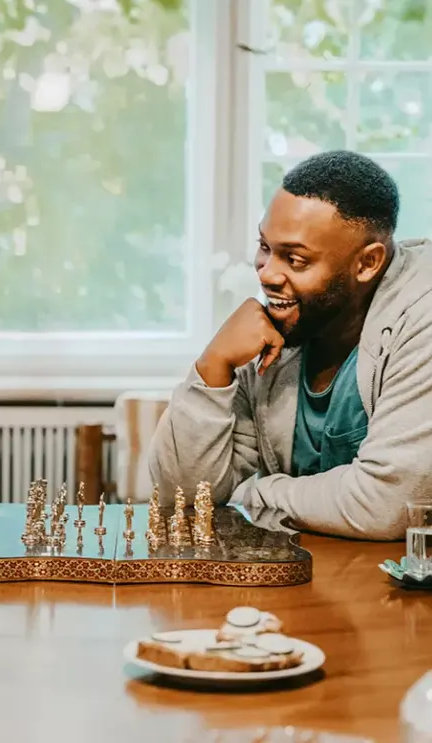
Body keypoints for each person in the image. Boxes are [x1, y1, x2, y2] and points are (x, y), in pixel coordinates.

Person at [148, 150, 432, 541]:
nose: (267, 274)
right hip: (311, 579)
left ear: (367, 263)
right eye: (264, 247)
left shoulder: (423, 315)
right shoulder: (281, 324)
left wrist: (256, 494)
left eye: (294, 259)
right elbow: (181, 498)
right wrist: (213, 366)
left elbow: (386, 505)